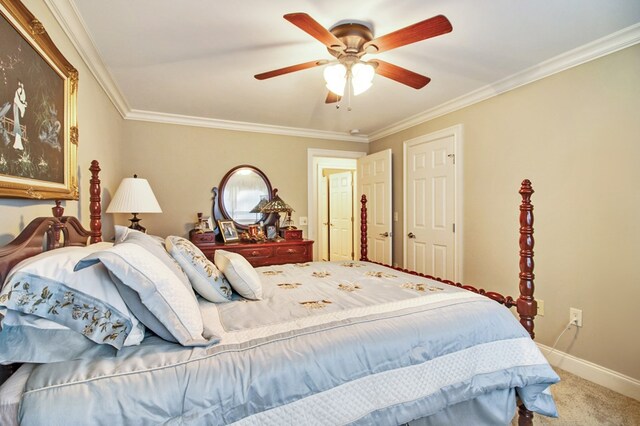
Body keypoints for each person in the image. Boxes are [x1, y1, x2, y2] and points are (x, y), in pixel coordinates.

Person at [13, 80, 27, 150]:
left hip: (18, 106)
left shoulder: (21, 90)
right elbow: (19, 99)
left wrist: (23, 104)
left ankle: (18, 143)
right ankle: (17, 143)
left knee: (18, 123)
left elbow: (21, 99)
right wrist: (22, 104)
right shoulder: (19, 90)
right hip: (17, 106)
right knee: (17, 123)